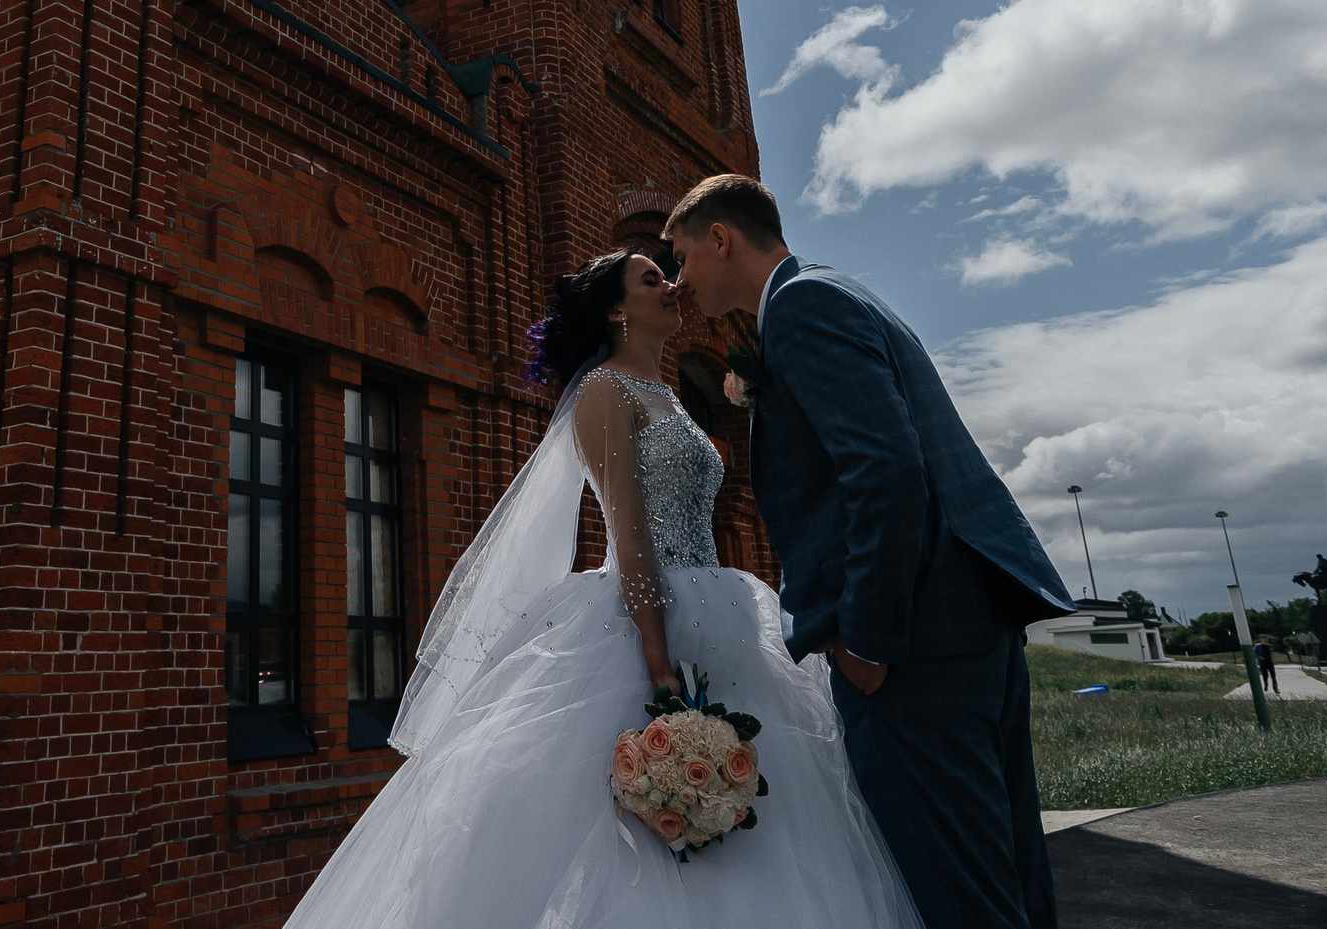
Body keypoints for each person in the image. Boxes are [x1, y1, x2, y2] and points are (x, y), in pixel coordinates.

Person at [282, 249, 923, 928]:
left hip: (724, 618)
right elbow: (630, 529)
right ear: (617, 309)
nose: (671, 285)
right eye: (652, 279)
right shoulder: (603, 392)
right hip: (648, 626)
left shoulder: (667, 392)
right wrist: (656, 661)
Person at [666, 175, 1075, 929]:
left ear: (720, 238)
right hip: (963, 621)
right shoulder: (835, 291)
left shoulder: (801, 308)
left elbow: (885, 470)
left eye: (683, 256)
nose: (681, 279)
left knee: (959, 894)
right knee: (1007, 873)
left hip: (912, 647)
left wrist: (867, 643)